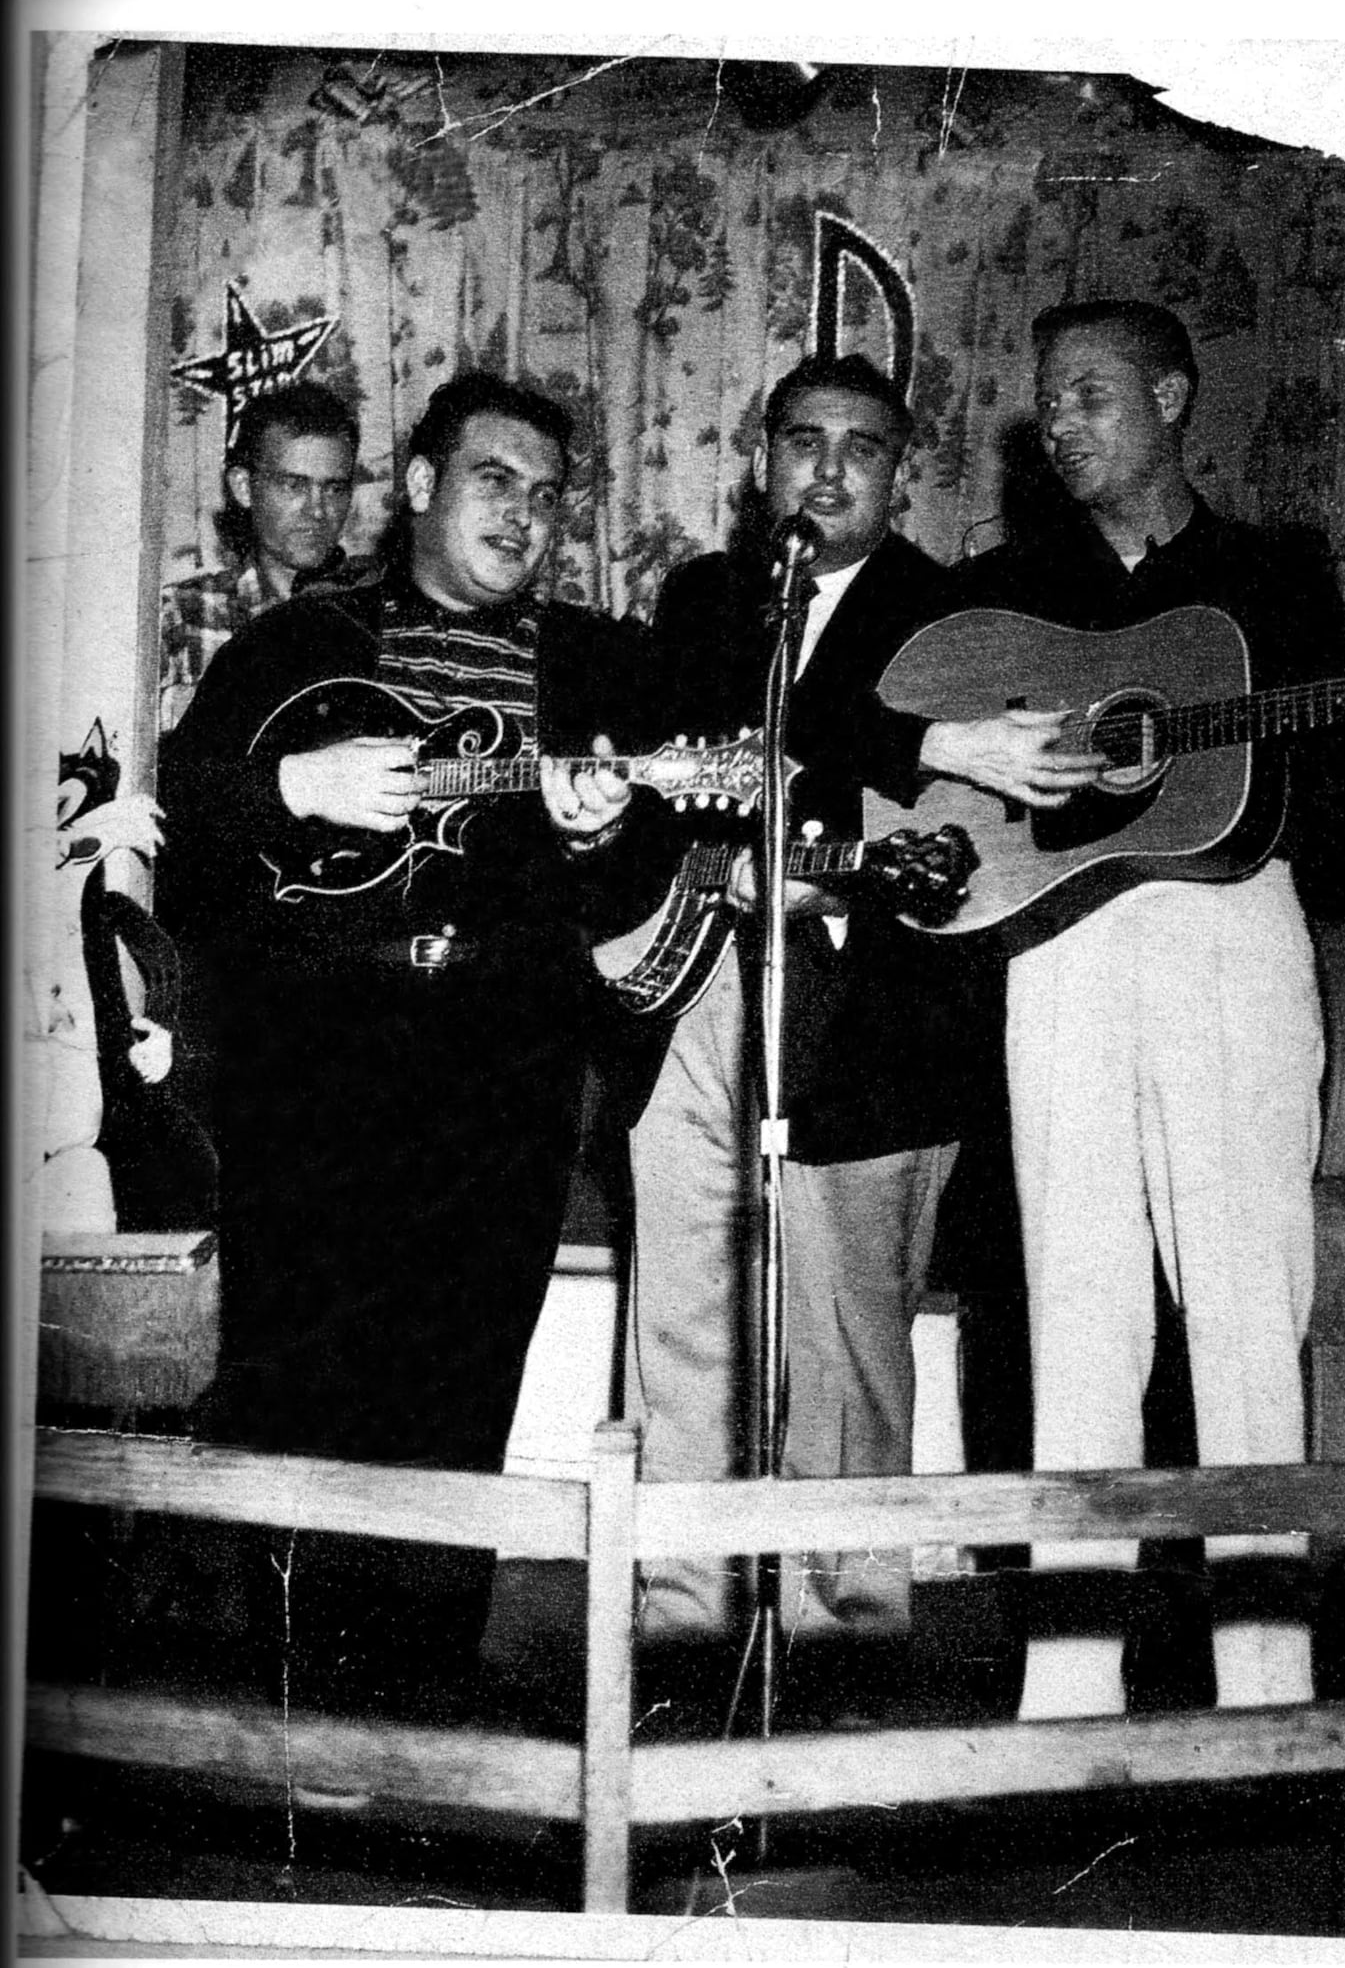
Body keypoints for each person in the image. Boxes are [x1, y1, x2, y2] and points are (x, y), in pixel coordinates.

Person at [874, 298, 1345, 1720]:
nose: (1062, 425)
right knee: (1076, 1307)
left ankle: (1265, 1691)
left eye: (1089, 395)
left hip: (1233, 936)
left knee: (1247, 1307)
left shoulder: (1274, 573)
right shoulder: (1004, 588)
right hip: (1062, 946)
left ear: (1170, 394)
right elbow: (926, 767)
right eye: (1048, 403)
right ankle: (1066, 1695)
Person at [157, 370, 646, 1704]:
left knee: (458, 1391)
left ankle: (417, 1712)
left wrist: (601, 825)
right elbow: (184, 838)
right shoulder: (303, 637)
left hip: (503, 1067)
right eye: (496, 480)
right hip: (316, 1056)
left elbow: (644, 882)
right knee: (290, 1377)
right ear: (422, 485)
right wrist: (282, 786)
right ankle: (276, 1714)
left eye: (550, 496)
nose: (527, 514)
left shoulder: (594, 665)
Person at [613, 353, 1005, 1650]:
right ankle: (683, 1588)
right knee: (682, 1279)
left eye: (862, 446)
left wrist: (855, 762)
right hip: (704, 968)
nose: (827, 468)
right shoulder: (708, 596)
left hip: (876, 999)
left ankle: (851, 1602)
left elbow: (906, 767)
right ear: (762, 456)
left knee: (848, 1314)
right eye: (803, 440)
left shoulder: (954, 615)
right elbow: (689, 760)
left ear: (902, 475)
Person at [159, 383, 365, 733]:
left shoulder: (377, 610)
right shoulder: (180, 614)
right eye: (294, 485)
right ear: (243, 487)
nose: (317, 511)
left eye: (334, 488)